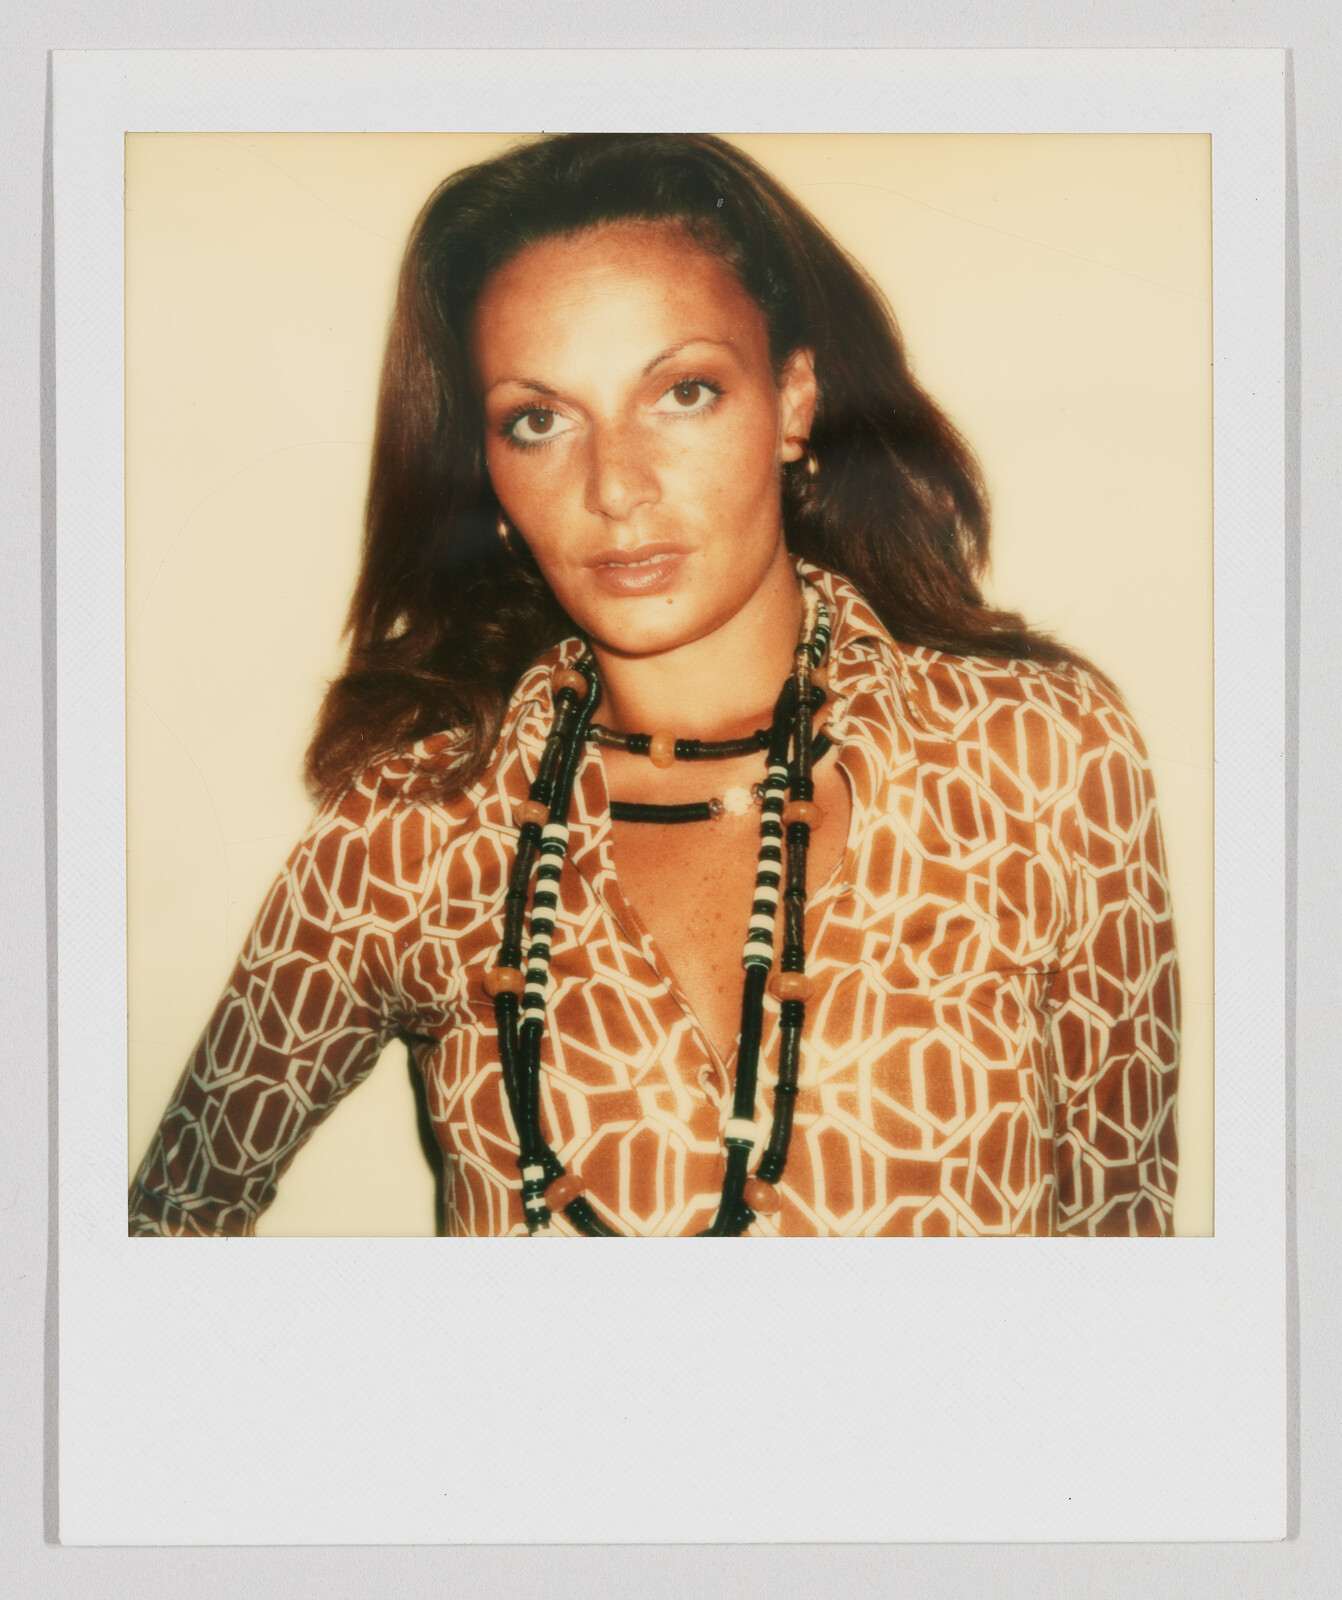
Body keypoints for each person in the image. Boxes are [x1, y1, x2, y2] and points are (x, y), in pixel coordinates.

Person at [129, 132, 1180, 1239]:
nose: (615, 487)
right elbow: (165, 1228)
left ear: (793, 401)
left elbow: (1128, 1252)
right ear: (485, 473)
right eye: (538, 420)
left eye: (682, 391)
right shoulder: (413, 830)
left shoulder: (1043, 758)